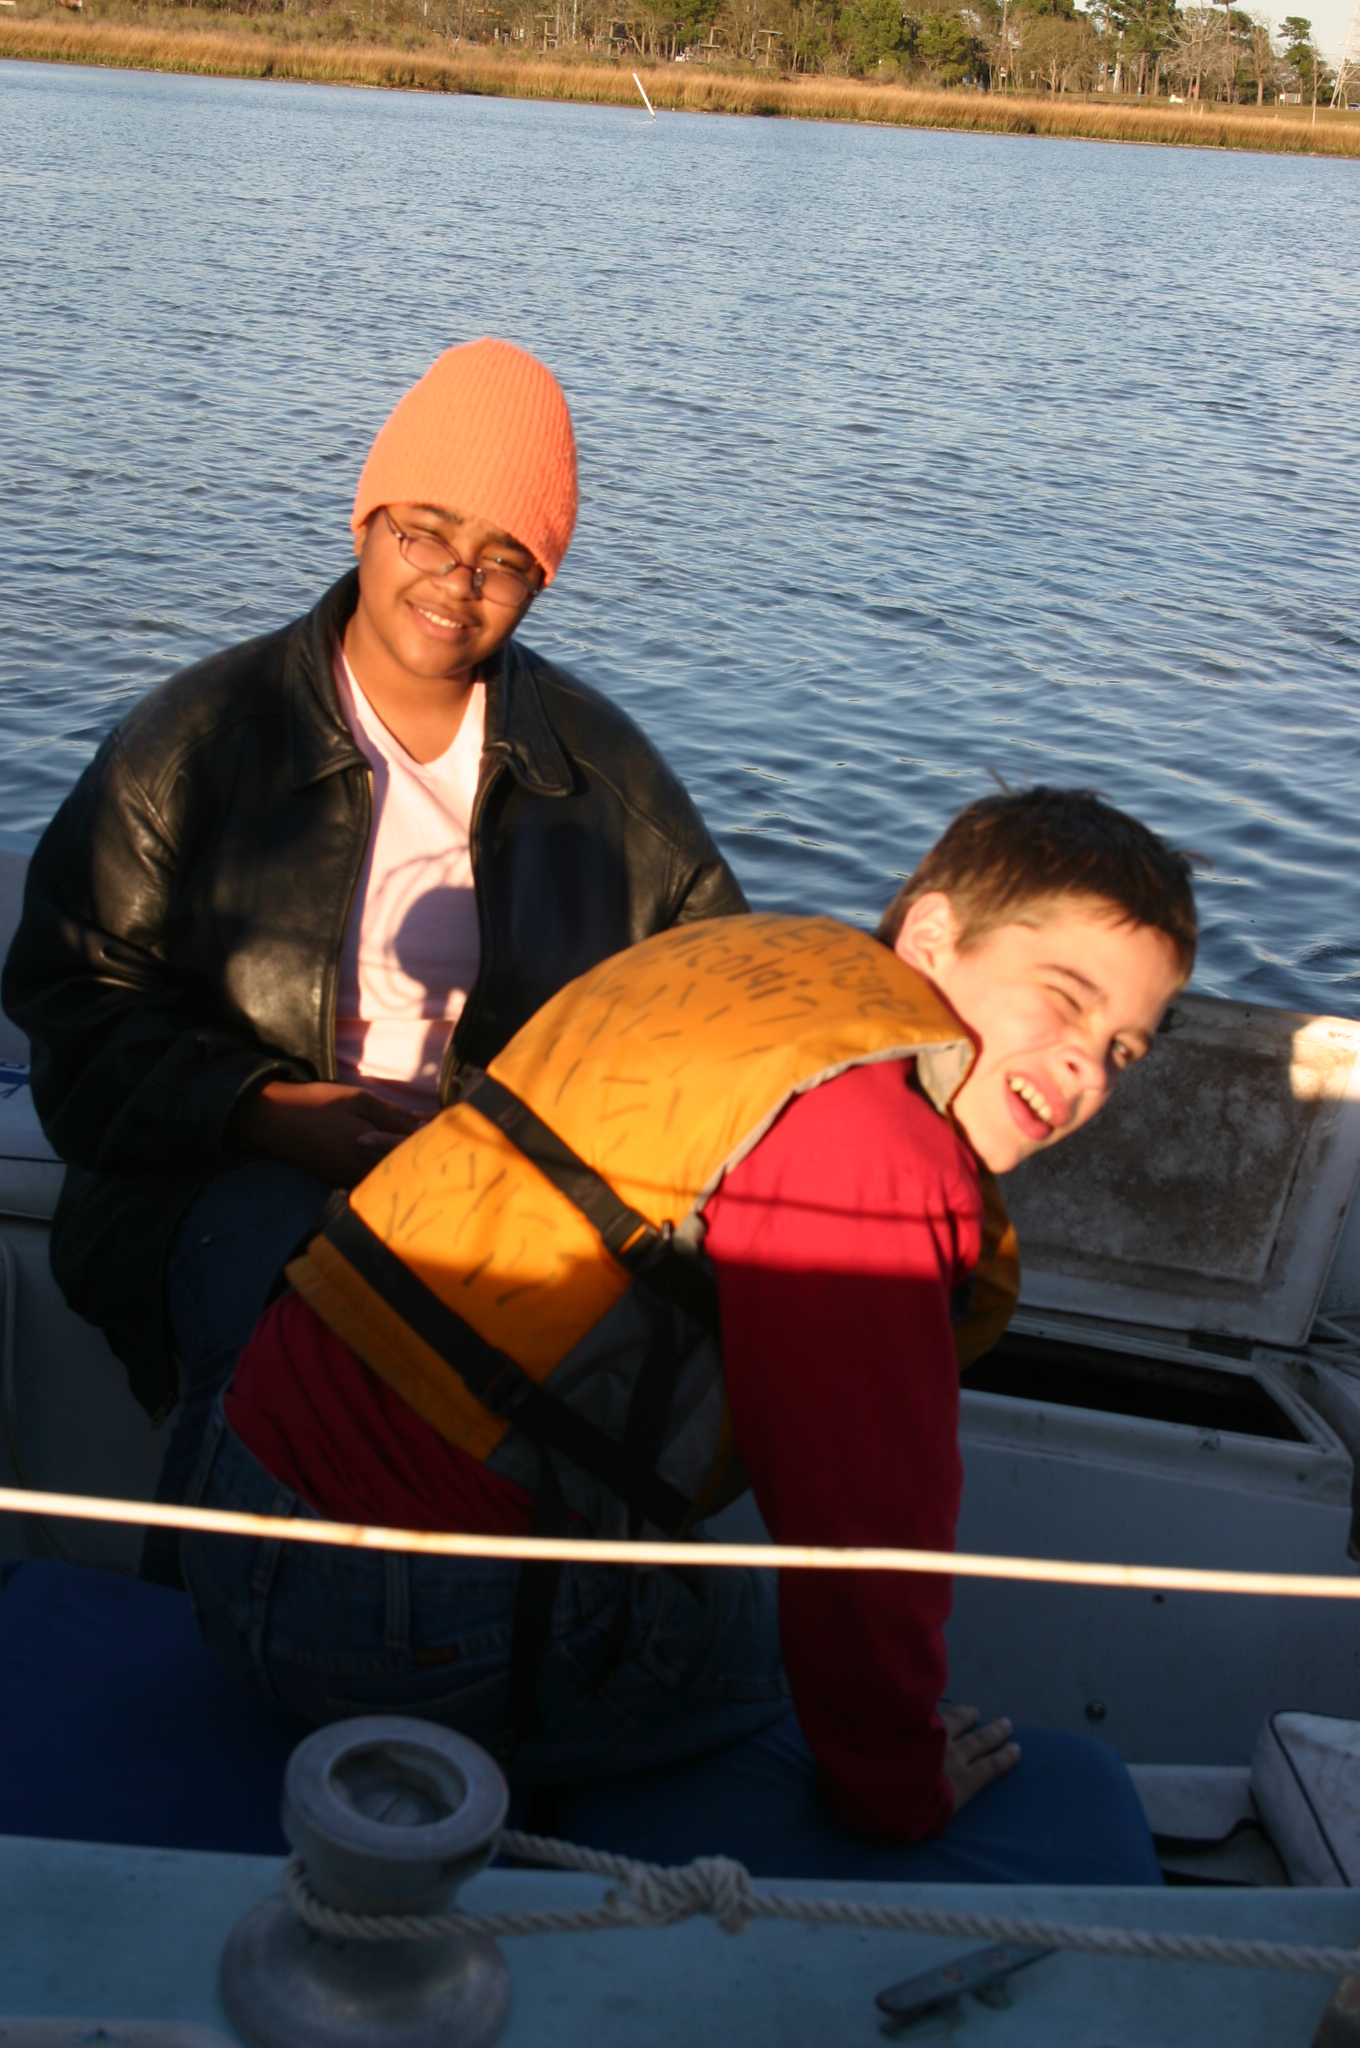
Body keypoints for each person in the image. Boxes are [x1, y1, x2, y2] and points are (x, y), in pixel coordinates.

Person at [179, 785, 1194, 1883]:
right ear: (933, 935)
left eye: (1123, 1049)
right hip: (387, 1627)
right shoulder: (878, 1148)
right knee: (760, 1646)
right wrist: (900, 1782)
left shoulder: (759, 967)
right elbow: (864, 1534)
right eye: (1063, 998)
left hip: (223, 1498)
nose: (1088, 1066)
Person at [2, 338, 746, 1564]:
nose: (457, 578)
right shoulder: (193, 742)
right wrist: (259, 1108)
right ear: (367, 519)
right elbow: (73, 1007)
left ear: (541, 578)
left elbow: (722, 1011)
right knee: (279, 1301)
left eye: (504, 556)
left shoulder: (609, 783)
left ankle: (497, 1646)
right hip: (209, 1172)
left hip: (492, 1196)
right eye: (424, 530)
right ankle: (193, 1622)